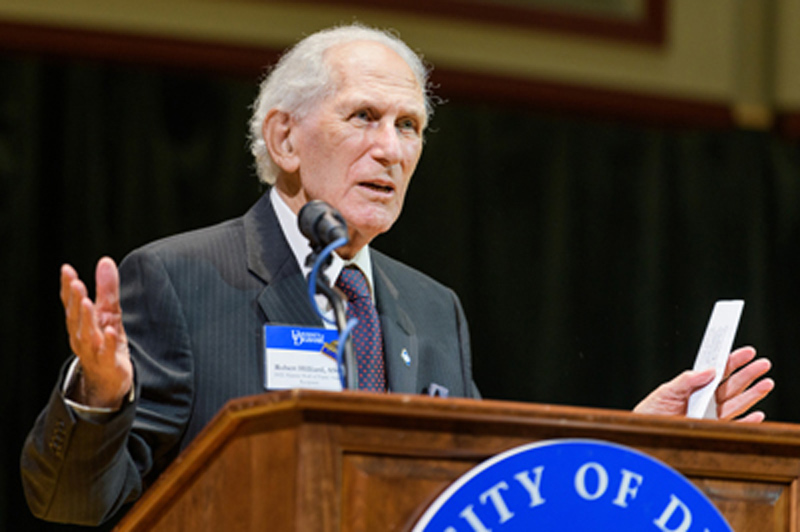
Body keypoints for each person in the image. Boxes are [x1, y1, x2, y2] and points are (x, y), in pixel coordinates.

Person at [20, 24, 774, 527]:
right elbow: (72, 505)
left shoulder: (429, 307)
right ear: (284, 136)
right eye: (364, 118)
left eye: (409, 126)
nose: (392, 150)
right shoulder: (182, 279)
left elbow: (484, 493)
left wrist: (625, 445)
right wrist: (100, 397)